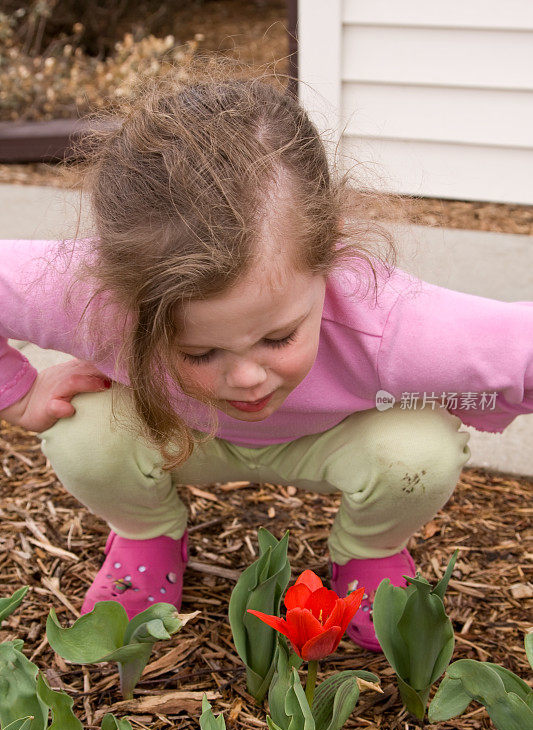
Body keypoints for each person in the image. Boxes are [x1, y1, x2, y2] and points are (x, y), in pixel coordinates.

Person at [1, 60, 532, 652]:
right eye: (199, 350)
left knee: (420, 449)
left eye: (278, 338)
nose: (247, 377)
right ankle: (146, 535)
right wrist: (18, 393)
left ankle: (369, 553)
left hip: (336, 441)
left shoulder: (390, 322)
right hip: (178, 434)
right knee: (83, 432)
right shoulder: (95, 299)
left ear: (329, 257)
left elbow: (520, 348)